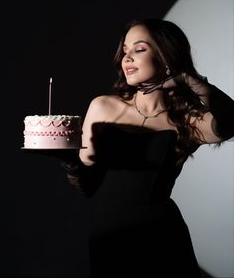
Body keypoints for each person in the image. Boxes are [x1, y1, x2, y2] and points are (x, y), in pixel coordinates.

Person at [60, 17, 234, 278]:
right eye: (125, 51)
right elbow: (87, 186)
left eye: (139, 49)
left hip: (162, 240)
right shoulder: (103, 107)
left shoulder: (188, 122)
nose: (127, 58)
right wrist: (65, 157)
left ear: (166, 58)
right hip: (108, 241)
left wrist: (188, 79)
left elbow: (232, 121)